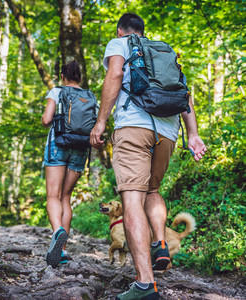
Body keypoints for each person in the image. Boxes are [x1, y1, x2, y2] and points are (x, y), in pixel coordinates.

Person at [90, 13, 207, 300]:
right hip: (168, 132)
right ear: (145, 31)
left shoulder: (120, 43)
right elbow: (185, 95)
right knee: (152, 190)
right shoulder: (164, 50)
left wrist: (101, 121)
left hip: (133, 127)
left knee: (132, 198)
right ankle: (159, 241)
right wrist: (193, 134)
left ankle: (145, 284)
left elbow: (115, 74)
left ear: (121, 30)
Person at [41, 60, 89, 268]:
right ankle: (62, 249)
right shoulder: (88, 95)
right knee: (66, 197)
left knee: (53, 195)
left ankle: (57, 231)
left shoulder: (57, 91)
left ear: (63, 76)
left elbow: (46, 119)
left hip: (58, 144)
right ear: (80, 77)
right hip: (80, 147)